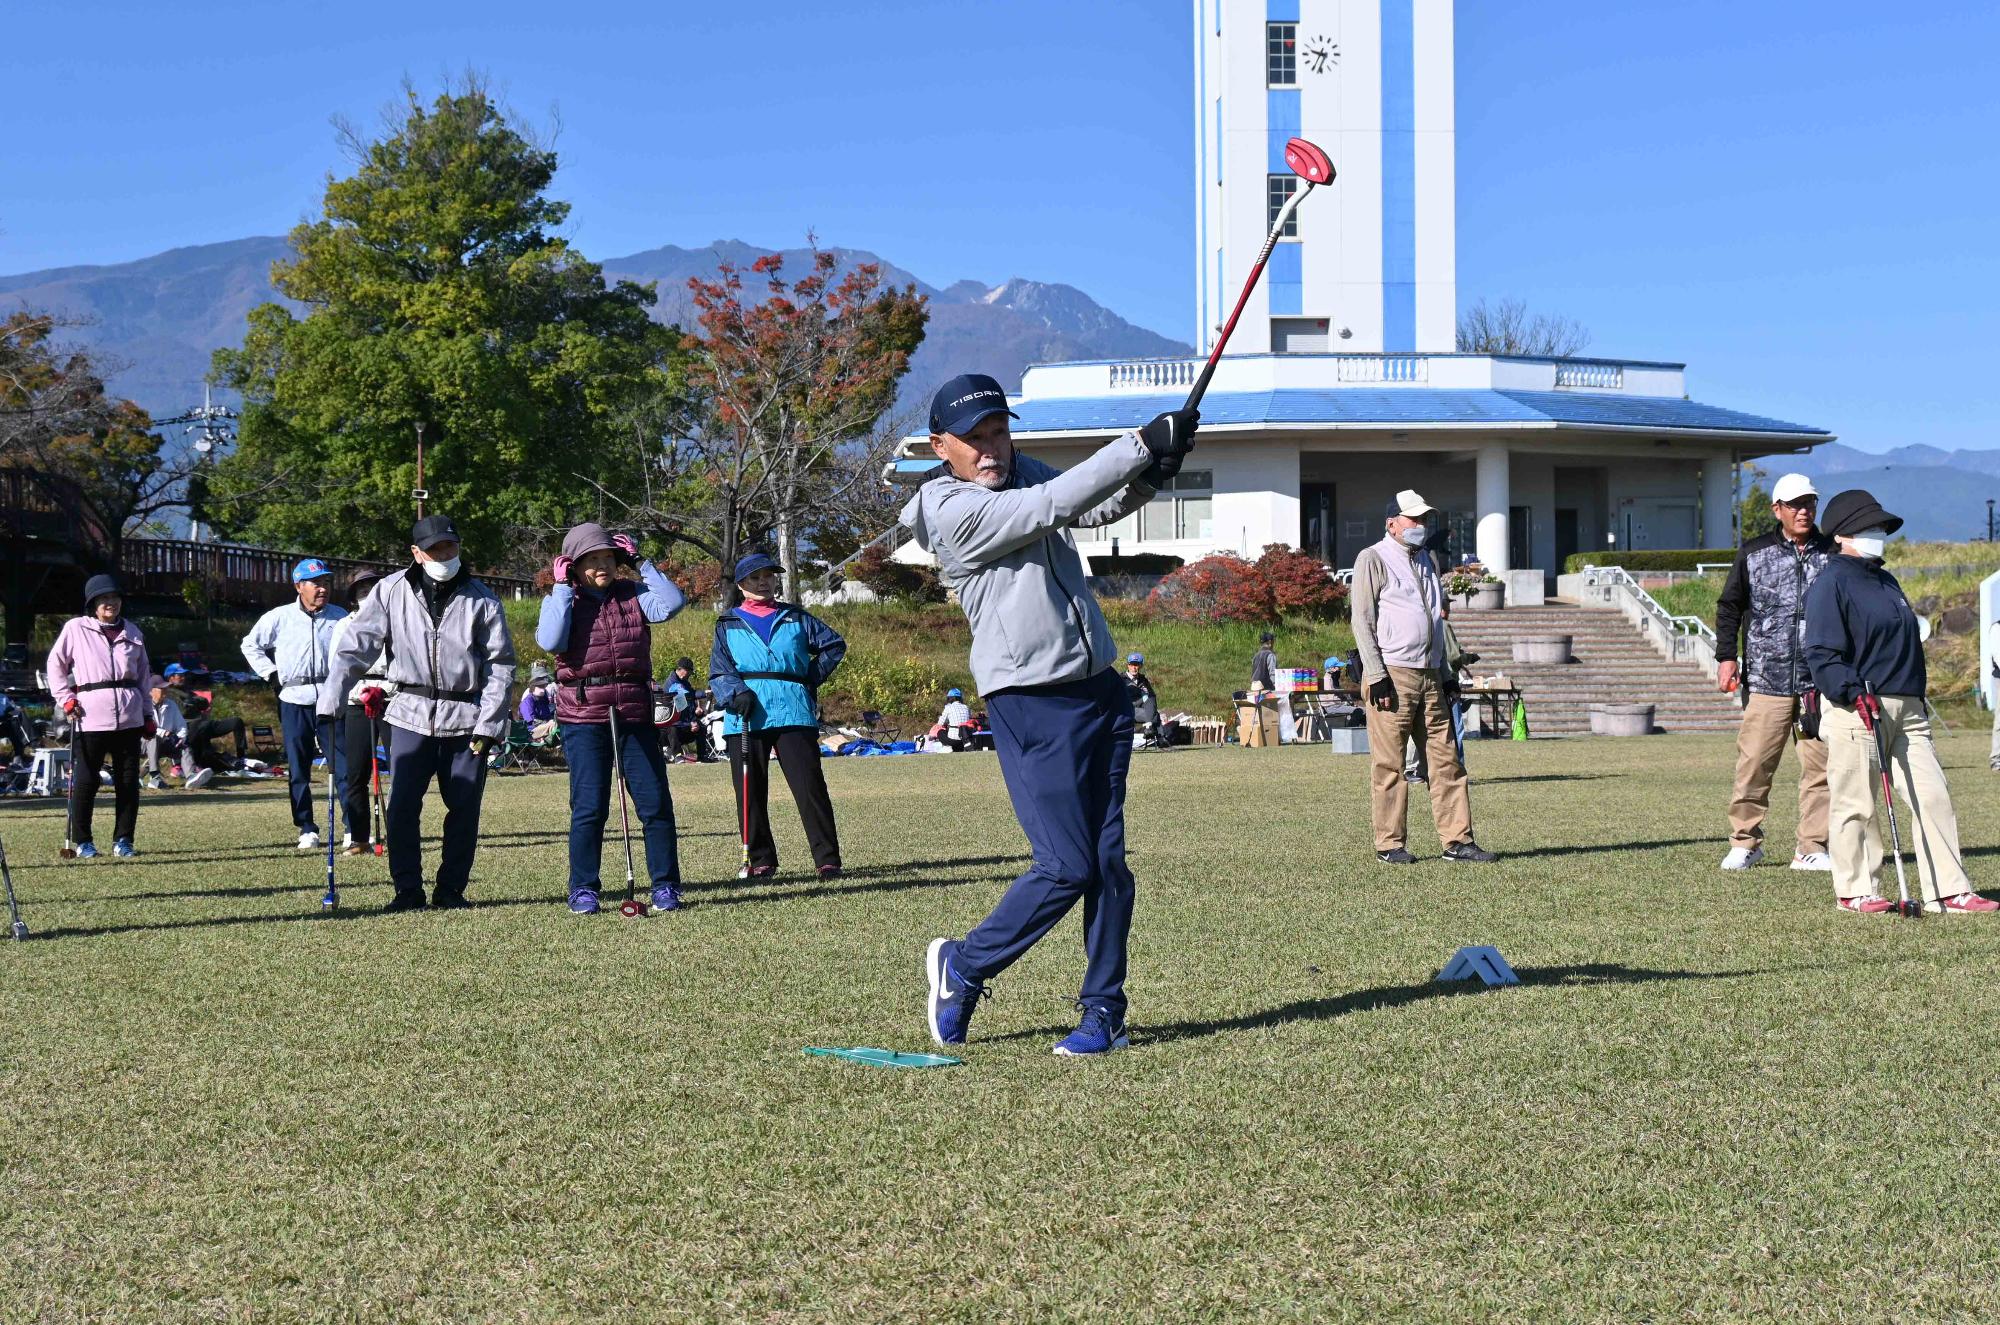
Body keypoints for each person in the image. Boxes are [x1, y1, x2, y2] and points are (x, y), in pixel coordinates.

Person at [904, 371, 1196, 1055]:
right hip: (1030, 702)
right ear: (938, 446)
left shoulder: (1019, 475)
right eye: (973, 438)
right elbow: (1050, 506)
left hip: (1100, 690)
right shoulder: (950, 509)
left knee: (1108, 864)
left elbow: (1087, 508)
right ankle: (966, 965)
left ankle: (1104, 1012)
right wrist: (1139, 442)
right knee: (1066, 864)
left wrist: (1155, 471)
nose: (990, 448)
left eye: (998, 430)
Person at [1803, 490, 1994, 915]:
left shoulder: (1887, 580)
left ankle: (1948, 890)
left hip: (1908, 707)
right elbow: (1821, 652)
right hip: (1857, 707)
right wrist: (1851, 691)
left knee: (1933, 797)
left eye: (1880, 528)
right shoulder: (1829, 583)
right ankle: (1856, 890)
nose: (1877, 535)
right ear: (1840, 535)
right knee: (1856, 803)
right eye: (1868, 528)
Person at [318, 515, 517, 912]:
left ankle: (451, 889)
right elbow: (355, 648)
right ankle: (407, 889)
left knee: (464, 807)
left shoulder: (483, 598)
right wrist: (331, 701)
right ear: (416, 552)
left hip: (466, 718)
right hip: (408, 712)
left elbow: (500, 666)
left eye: (450, 547)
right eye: (435, 549)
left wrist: (490, 725)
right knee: (403, 807)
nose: (445, 555)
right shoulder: (390, 591)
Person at [536, 522, 690, 915]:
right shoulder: (563, 599)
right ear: (573, 566)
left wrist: (642, 562)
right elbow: (552, 641)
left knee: (655, 803)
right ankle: (583, 888)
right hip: (584, 713)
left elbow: (671, 604)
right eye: (591, 559)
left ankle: (666, 886)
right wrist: (559, 588)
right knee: (589, 806)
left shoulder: (633, 594)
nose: (602, 564)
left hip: (633, 710)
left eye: (609, 556)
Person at [1352, 490, 1495, 865]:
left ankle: (1457, 841)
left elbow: (1434, 622)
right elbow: (1362, 621)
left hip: (1431, 673)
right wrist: (1376, 673)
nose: (1421, 525)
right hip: (1392, 674)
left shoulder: (1428, 560)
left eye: (1424, 519)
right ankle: (1389, 845)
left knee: (1446, 760)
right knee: (1390, 764)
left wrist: (1446, 673)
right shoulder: (1373, 558)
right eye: (1413, 519)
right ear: (1392, 523)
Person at [1713, 473, 1835, 872]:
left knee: (1821, 769)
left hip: (1819, 683)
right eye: (1796, 504)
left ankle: (1812, 846)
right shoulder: (1753, 553)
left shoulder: (1833, 554)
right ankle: (1745, 842)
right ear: (1777, 509)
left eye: (1810, 503)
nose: (1805, 510)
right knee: (1754, 765)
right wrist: (1726, 656)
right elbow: (1729, 606)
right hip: (1767, 680)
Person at [710, 552, 847, 880]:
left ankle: (827, 859)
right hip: (745, 714)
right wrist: (734, 692)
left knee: (810, 787)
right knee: (750, 790)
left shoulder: (797, 617)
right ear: (742, 585)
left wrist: (808, 677)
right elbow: (719, 670)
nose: (764, 582)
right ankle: (761, 860)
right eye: (756, 577)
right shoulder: (727, 622)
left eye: (769, 576)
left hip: (793, 710)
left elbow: (834, 646)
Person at [240, 557, 348, 850]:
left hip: (330, 695)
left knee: (342, 764)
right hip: (293, 697)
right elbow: (250, 644)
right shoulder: (279, 617)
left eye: (326, 582)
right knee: (298, 766)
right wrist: (270, 673)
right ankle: (306, 827)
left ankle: (351, 826)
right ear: (299, 586)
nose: (322, 589)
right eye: (316, 583)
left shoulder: (341, 617)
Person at [48, 575, 150, 858]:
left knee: (129, 781)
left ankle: (124, 840)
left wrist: (148, 714)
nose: (110, 603)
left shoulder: (133, 632)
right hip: (89, 716)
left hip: (130, 717)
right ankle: (83, 841)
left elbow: (143, 677)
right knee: (86, 780)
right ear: (93, 603)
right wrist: (67, 699)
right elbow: (55, 665)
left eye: (115, 598)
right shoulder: (76, 629)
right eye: (104, 599)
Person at [329, 570, 392, 856]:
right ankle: (359, 837)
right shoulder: (344, 624)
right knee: (356, 773)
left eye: (373, 588)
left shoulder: (398, 621)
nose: (367, 594)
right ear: (354, 596)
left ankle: (402, 831)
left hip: (393, 698)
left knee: (403, 770)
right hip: (358, 700)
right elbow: (338, 664)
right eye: (362, 590)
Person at [177, 685, 246, 787]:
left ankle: (241, 758)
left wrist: (195, 702)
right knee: (201, 728)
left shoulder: (188, 693)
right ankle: (198, 766)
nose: (182, 677)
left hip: (205, 728)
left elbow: (204, 703)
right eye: (178, 675)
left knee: (236, 722)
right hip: (189, 733)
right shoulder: (171, 695)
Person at [143, 676, 186, 790]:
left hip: (164, 742)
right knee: (153, 738)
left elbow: (181, 725)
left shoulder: (171, 704)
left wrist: (181, 738)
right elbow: (145, 727)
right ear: (151, 691)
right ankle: (155, 776)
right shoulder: (142, 704)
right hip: (142, 742)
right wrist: (164, 733)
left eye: (166, 688)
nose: (165, 691)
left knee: (184, 746)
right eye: (162, 689)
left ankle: (191, 775)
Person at [660, 657, 706, 762]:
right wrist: (690, 723)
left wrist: (696, 716)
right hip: (673, 725)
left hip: (685, 724)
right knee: (672, 728)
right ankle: (677, 755)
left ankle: (702, 756)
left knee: (702, 728)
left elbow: (690, 700)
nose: (689, 675)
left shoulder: (685, 682)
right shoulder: (672, 684)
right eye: (689, 672)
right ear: (682, 669)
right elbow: (684, 701)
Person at [519, 662, 558, 742]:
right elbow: (531, 722)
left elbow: (547, 715)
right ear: (533, 687)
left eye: (544, 686)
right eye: (540, 686)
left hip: (543, 727)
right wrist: (548, 722)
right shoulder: (527, 701)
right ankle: (551, 741)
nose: (543, 689)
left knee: (560, 723)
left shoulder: (543, 698)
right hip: (530, 732)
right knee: (553, 724)